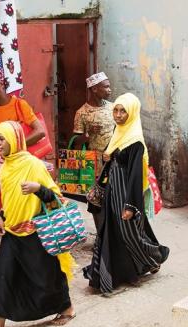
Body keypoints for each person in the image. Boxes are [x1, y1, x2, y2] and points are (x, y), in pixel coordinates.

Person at [0, 121, 75, 327]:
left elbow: (57, 199)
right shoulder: (5, 166)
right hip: (12, 230)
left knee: (46, 275)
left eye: (2, 138)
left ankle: (66, 307)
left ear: (15, 139)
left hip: (35, 230)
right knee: (4, 275)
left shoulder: (33, 165)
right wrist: (1, 215)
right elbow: (8, 197)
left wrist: (38, 189)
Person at [82, 93, 169, 294]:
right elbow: (114, 159)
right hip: (113, 190)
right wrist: (107, 157)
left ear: (132, 113)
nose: (118, 115)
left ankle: (154, 257)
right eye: (116, 110)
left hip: (126, 194)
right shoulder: (117, 131)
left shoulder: (135, 140)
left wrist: (130, 205)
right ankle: (114, 275)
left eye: (123, 111)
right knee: (112, 233)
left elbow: (135, 176)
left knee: (131, 235)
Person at [0, 73, 45, 213]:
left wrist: (14, 147)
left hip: (17, 163)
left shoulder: (19, 105)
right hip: (0, 162)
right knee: (2, 203)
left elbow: (40, 131)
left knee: (20, 206)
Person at [73, 72, 115, 232]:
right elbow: (75, 143)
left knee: (114, 197)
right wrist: (88, 133)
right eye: (106, 87)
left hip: (113, 161)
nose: (109, 89)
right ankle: (100, 236)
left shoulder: (113, 108)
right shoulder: (82, 113)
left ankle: (112, 235)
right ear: (95, 89)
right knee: (96, 201)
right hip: (95, 165)